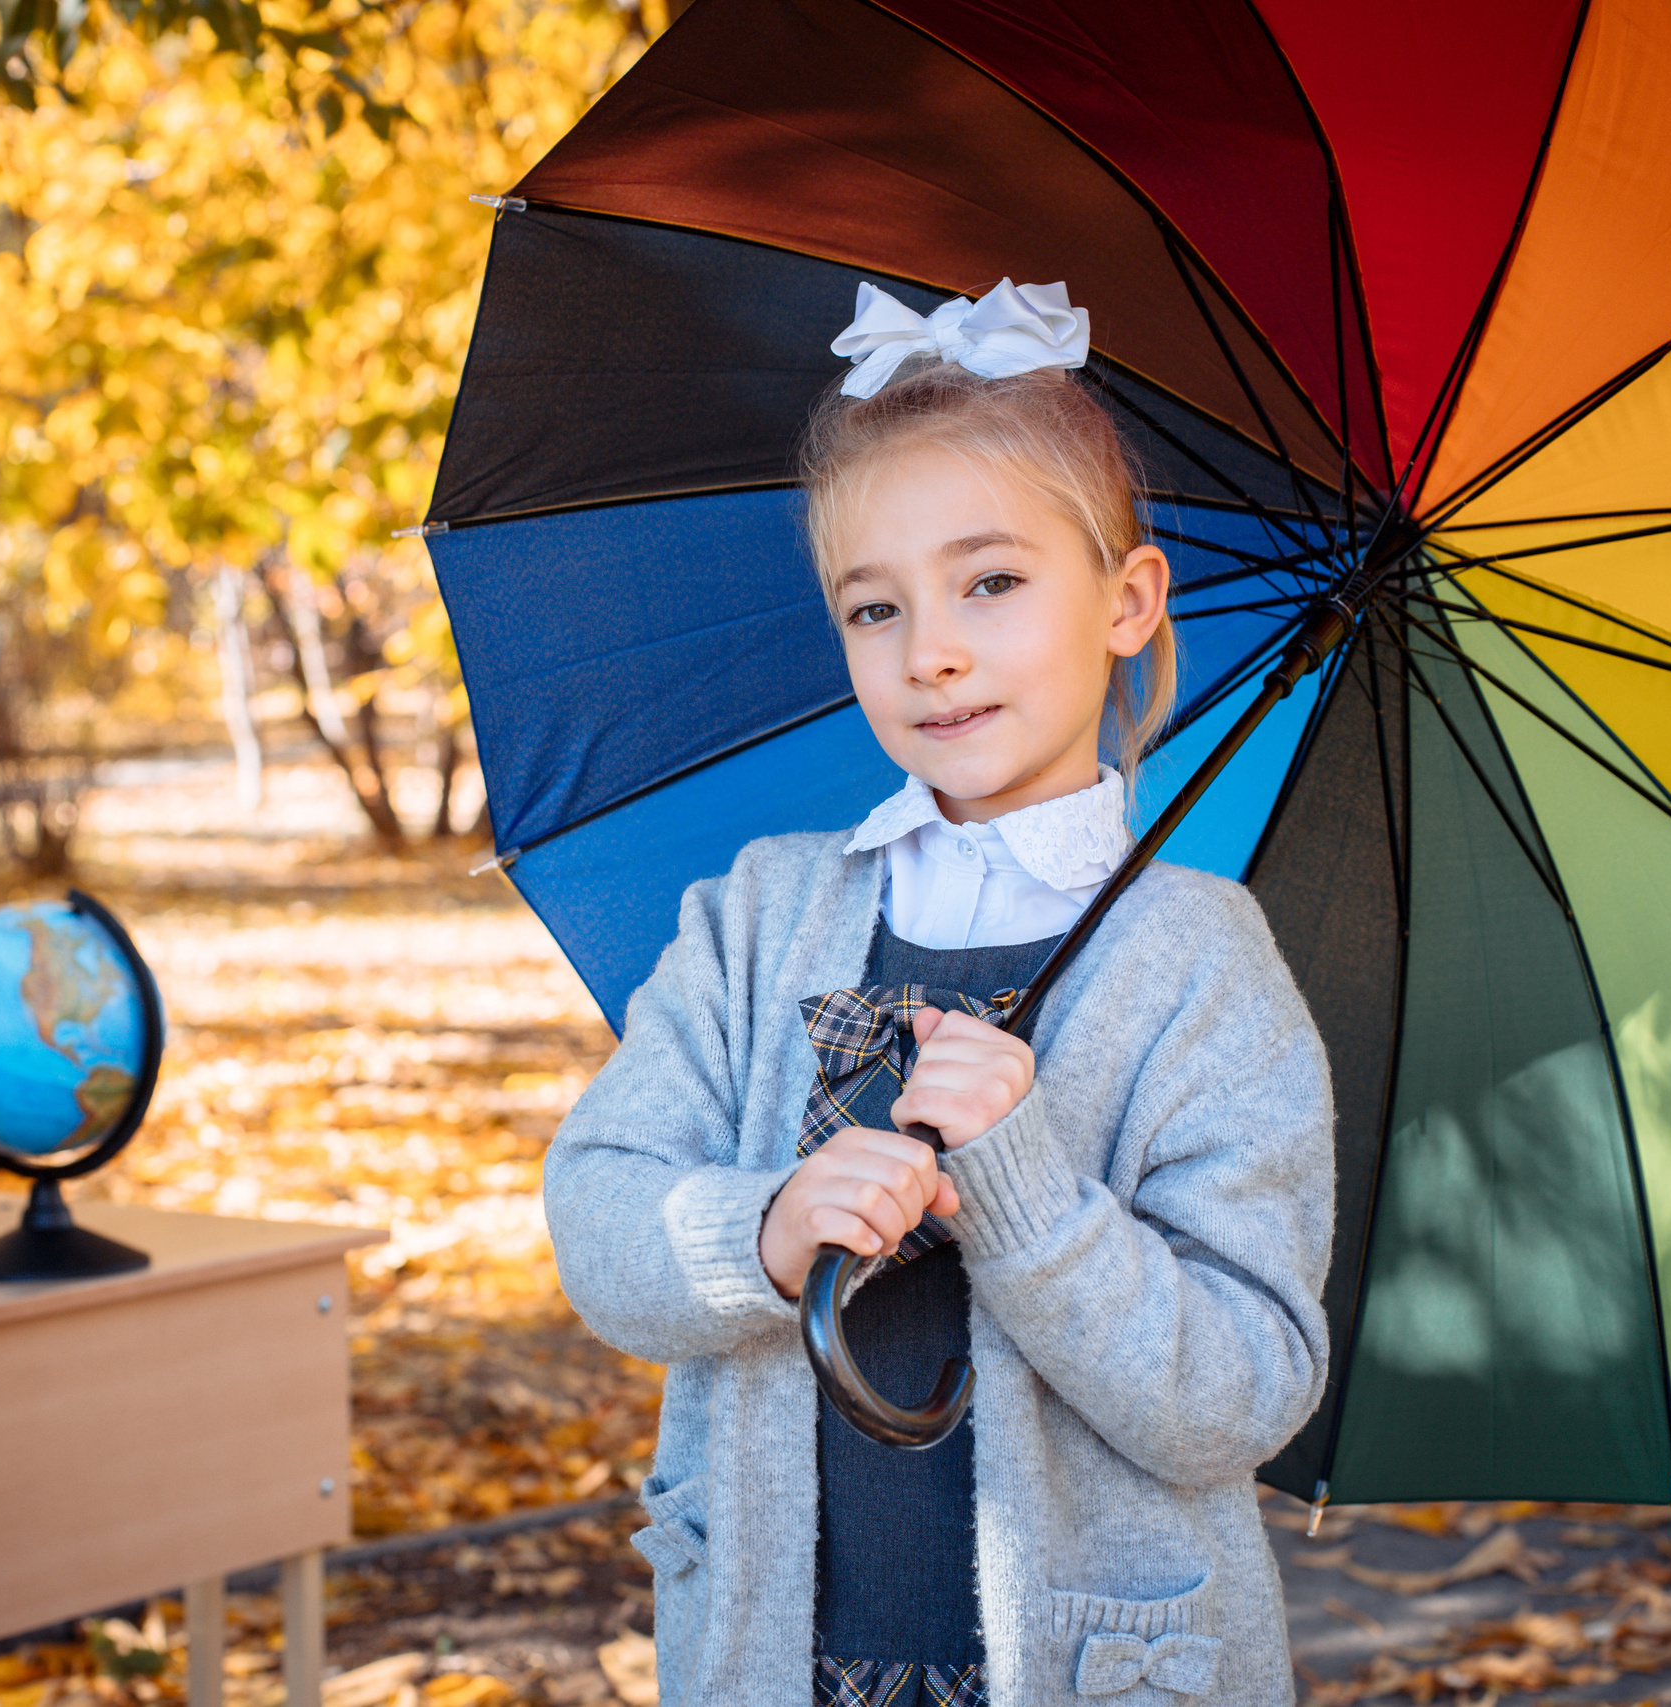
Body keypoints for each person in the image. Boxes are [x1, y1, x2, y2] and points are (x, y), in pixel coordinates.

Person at [543, 278, 1335, 1707]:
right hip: (777, 1655)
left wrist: (1027, 1193)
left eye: (993, 580)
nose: (933, 650)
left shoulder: (1199, 966)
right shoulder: (761, 915)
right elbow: (600, 1213)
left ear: (1127, 600)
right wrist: (764, 1231)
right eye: (873, 605)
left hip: (1102, 1666)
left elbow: (1238, 1394)